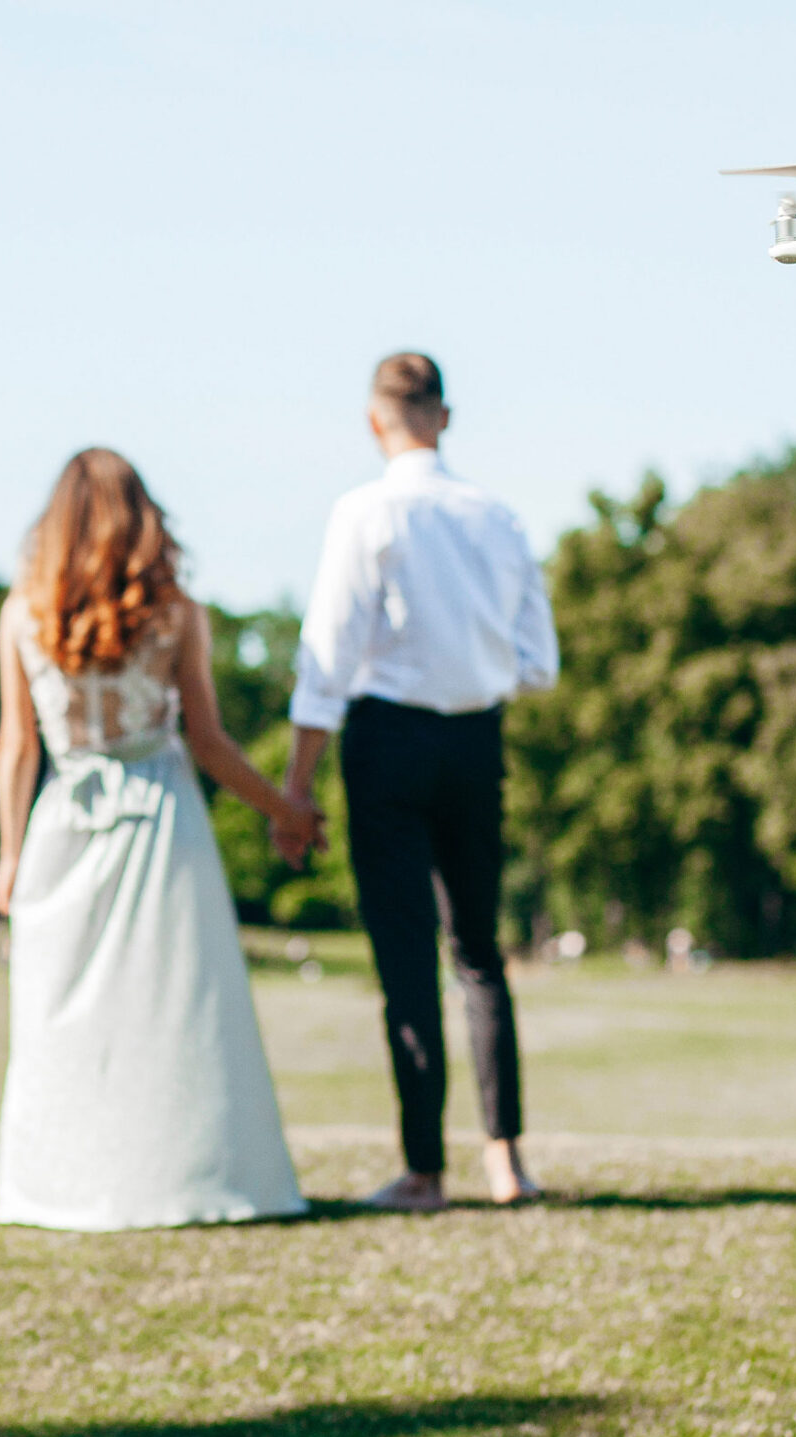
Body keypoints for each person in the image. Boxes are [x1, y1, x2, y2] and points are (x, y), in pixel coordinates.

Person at [0, 448, 317, 1231]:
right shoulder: (176, 610)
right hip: (163, 819)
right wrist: (285, 809)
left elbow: (19, 745)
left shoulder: (23, 609)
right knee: (176, 1004)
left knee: (61, 1011)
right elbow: (209, 741)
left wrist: (10, 852)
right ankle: (194, 1176)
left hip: (66, 821)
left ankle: (65, 1186)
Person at [280, 354, 558, 1213]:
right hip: (477, 743)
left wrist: (296, 790)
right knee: (479, 953)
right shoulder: (499, 517)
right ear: (445, 416)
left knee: (407, 957)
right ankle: (507, 1162)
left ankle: (425, 1170)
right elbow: (538, 664)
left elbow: (325, 662)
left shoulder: (365, 512)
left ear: (376, 422)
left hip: (389, 742)